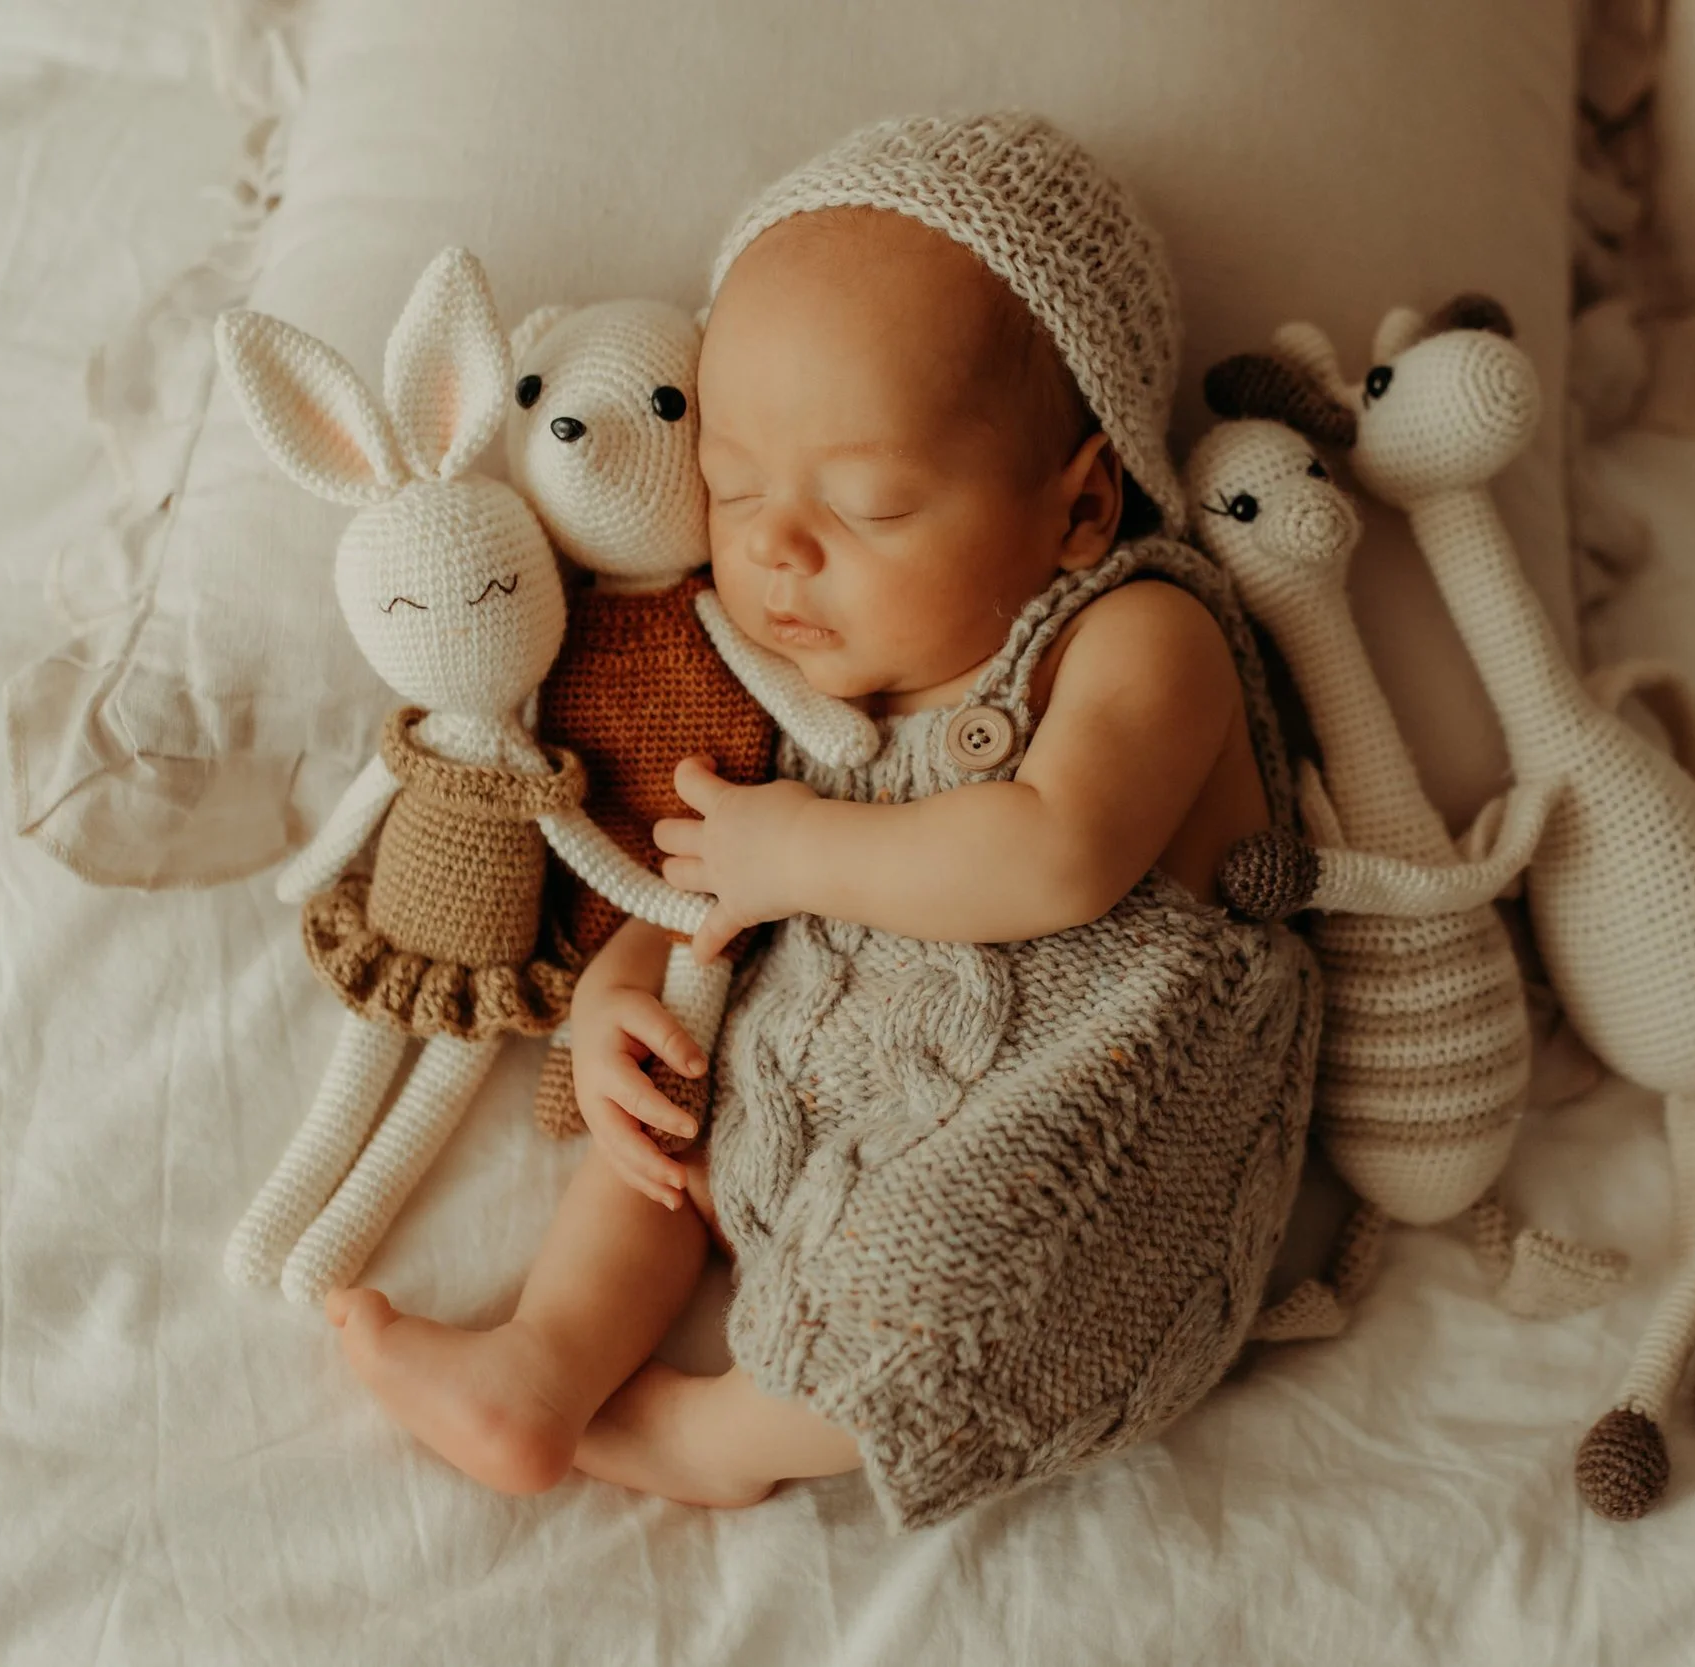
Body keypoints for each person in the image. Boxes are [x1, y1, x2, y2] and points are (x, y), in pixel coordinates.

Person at [325, 112, 1320, 1532]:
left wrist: (795, 848)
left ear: (1081, 504)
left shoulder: (1133, 635)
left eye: (868, 502)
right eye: (737, 491)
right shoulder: (776, 686)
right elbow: (692, 898)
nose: (780, 550)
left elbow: (1059, 848)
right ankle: (542, 1366)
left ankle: (726, 1432)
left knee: (950, 1270)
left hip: (1087, 1151)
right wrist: (615, 1003)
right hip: (823, 1106)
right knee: (666, 1126)